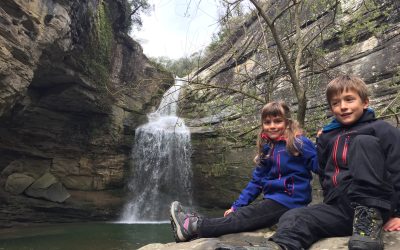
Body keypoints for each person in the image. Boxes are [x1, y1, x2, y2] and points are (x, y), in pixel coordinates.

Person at [260, 75, 400, 250]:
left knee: (362, 141)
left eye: (349, 100)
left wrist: (398, 214)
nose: (343, 107)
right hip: (340, 209)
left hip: (377, 207)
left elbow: (397, 170)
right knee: (294, 216)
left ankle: (368, 228)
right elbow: (324, 171)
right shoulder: (328, 136)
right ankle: (279, 247)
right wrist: (320, 144)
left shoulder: (382, 129)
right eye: (336, 103)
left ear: (365, 102)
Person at [169, 101, 319, 243]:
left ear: (287, 122)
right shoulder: (268, 149)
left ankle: (194, 226)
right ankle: (198, 227)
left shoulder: (299, 143)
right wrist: (237, 206)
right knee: (244, 214)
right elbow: (256, 182)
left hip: (290, 202)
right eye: (267, 122)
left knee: (246, 216)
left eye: (277, 121)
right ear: (262, 124)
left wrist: (323, 146)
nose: (272, 126)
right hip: (274, 201)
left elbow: (320, 166)